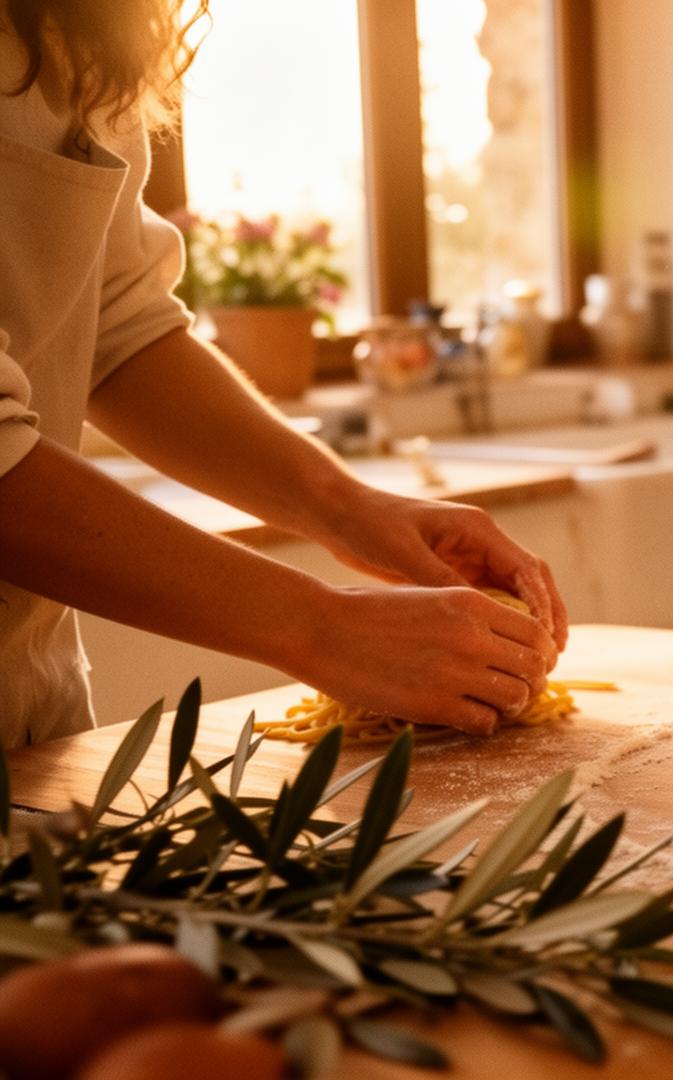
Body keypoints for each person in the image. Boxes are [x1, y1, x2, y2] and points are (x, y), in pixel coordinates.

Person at [0, 0, 567, 747]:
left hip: (27, 707)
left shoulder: (87, 27)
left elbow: (117, 322)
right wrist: (323, 628)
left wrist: (354, 509)